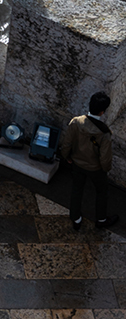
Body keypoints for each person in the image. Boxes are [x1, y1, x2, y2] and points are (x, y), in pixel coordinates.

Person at [58, 92, 120, 231]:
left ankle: (76, 218)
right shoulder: (104, 133)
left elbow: (67, 143)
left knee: (77, 189)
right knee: (102, 191)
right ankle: (101, 219)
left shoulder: (76, 122)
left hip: (77, 163)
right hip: (95, 168)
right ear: (102, 111)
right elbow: (105, 158)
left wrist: (66, 156)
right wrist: (105, 169)